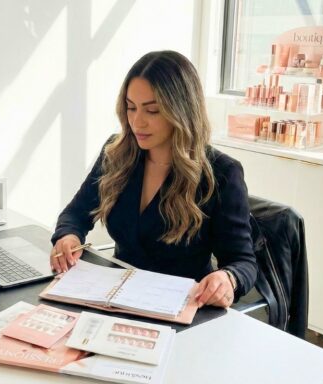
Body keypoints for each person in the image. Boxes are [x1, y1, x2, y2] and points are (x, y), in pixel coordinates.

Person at [49, 50, 257, 309]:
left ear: (181, 111)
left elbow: (243, 262)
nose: (137, 121)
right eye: (130, 107)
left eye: (153, 110)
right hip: (116, 298)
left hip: (180, 307)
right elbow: (76, 214)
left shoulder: (222, 173)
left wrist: (228, 278)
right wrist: (68, 236)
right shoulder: (116, 154)